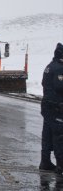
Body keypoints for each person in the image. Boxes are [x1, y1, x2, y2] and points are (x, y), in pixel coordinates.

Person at [40, 42, 63, 173]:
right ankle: (61, 164)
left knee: (47, 134)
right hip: (56, 107)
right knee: (59, 136)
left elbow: (45, 84)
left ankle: (45, 161)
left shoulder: (50, 66)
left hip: (48, 106)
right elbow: (60, 87)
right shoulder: (59, 68)